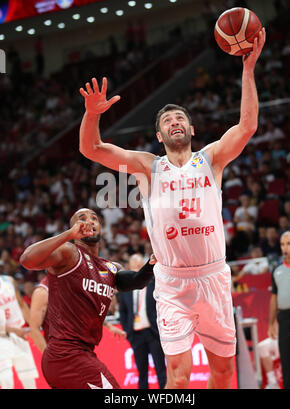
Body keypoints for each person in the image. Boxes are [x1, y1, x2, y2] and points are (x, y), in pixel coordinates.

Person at [79, 28, 266, 389]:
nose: (174, 122)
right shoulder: (148, 166)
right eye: (167, 121)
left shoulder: (210, 159)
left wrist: (247, 70)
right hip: (172, 282)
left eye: (180, 118)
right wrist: (91, 114)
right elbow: (93, 149)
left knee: (224, 373)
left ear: (192, 128)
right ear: (160, 136)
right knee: (177, 379)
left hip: (213, 276)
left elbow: (247, 126)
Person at [20, 208, 156, 389]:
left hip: (81, 354)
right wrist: (68, 235)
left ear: (100, 227)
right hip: (67, 354)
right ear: (75, 228)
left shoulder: (110, 268)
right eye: (82, 219)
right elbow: (27, 260)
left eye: (94, 218)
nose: (89, 221)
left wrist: (152, 263)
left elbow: (136, 281)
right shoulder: (69, 253)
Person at [29, 274, 126, 354]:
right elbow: (34, 329)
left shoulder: (73, 282)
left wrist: (109, 326)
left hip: (81, 347)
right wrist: (48, 358)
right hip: (60, 352)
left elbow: (87, 310)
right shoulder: (43, 291)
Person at [118, 253, 166, 389]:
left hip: (153, 333)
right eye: (134, 267)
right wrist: (127, 331)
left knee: (161, 370)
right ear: (129, 267)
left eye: (139, 266)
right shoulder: (125, 288)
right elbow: (122, 311)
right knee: (142, 373)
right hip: (136, 335)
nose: (137, 270)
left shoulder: (154, 283)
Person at [268, 231, 290, 389]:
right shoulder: (277, 270)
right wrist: (271, 323)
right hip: (284, 318)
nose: (285, 247)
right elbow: (274, 298)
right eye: (282, 244)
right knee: (287, 363)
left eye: (289, 243)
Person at [0, 274, 38, 389]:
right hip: (2, 339)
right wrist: (15, 331)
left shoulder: (8, 280)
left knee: (29, 379)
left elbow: (21, 305)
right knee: (7, 380)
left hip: (19, 333)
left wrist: (33, 327)